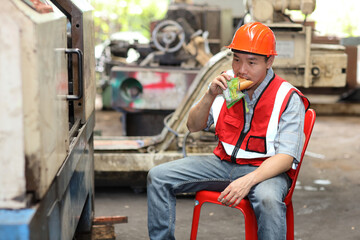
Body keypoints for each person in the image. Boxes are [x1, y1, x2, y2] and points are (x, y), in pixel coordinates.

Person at [147, 22, 310, 240]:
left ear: (269, 61)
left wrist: (248, 180)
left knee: (268, 199)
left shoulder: (287, 97)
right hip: (224, 165)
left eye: (251, 62)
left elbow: (286, 157)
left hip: (266, 172)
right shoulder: (228, 84)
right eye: (236, 59)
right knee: (158, 177)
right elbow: (193, 126)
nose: (242, 69)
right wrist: (210, 95)